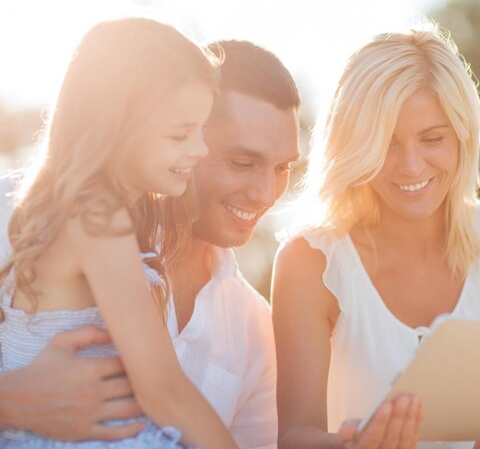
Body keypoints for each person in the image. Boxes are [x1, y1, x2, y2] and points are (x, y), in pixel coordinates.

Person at [271, 21, 480, 449]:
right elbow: (295, 436)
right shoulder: (311, 260)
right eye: (387, 143)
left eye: (432, 138)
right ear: (355, 145)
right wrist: (357, 445)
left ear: (462, 136)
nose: (411, 166)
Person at [0, 39, 301, 449]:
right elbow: (164, 390)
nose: (267, 193)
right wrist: (11, 400)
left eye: (283, 167)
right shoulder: (18, 209)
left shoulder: (253, 327)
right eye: (242, 163)